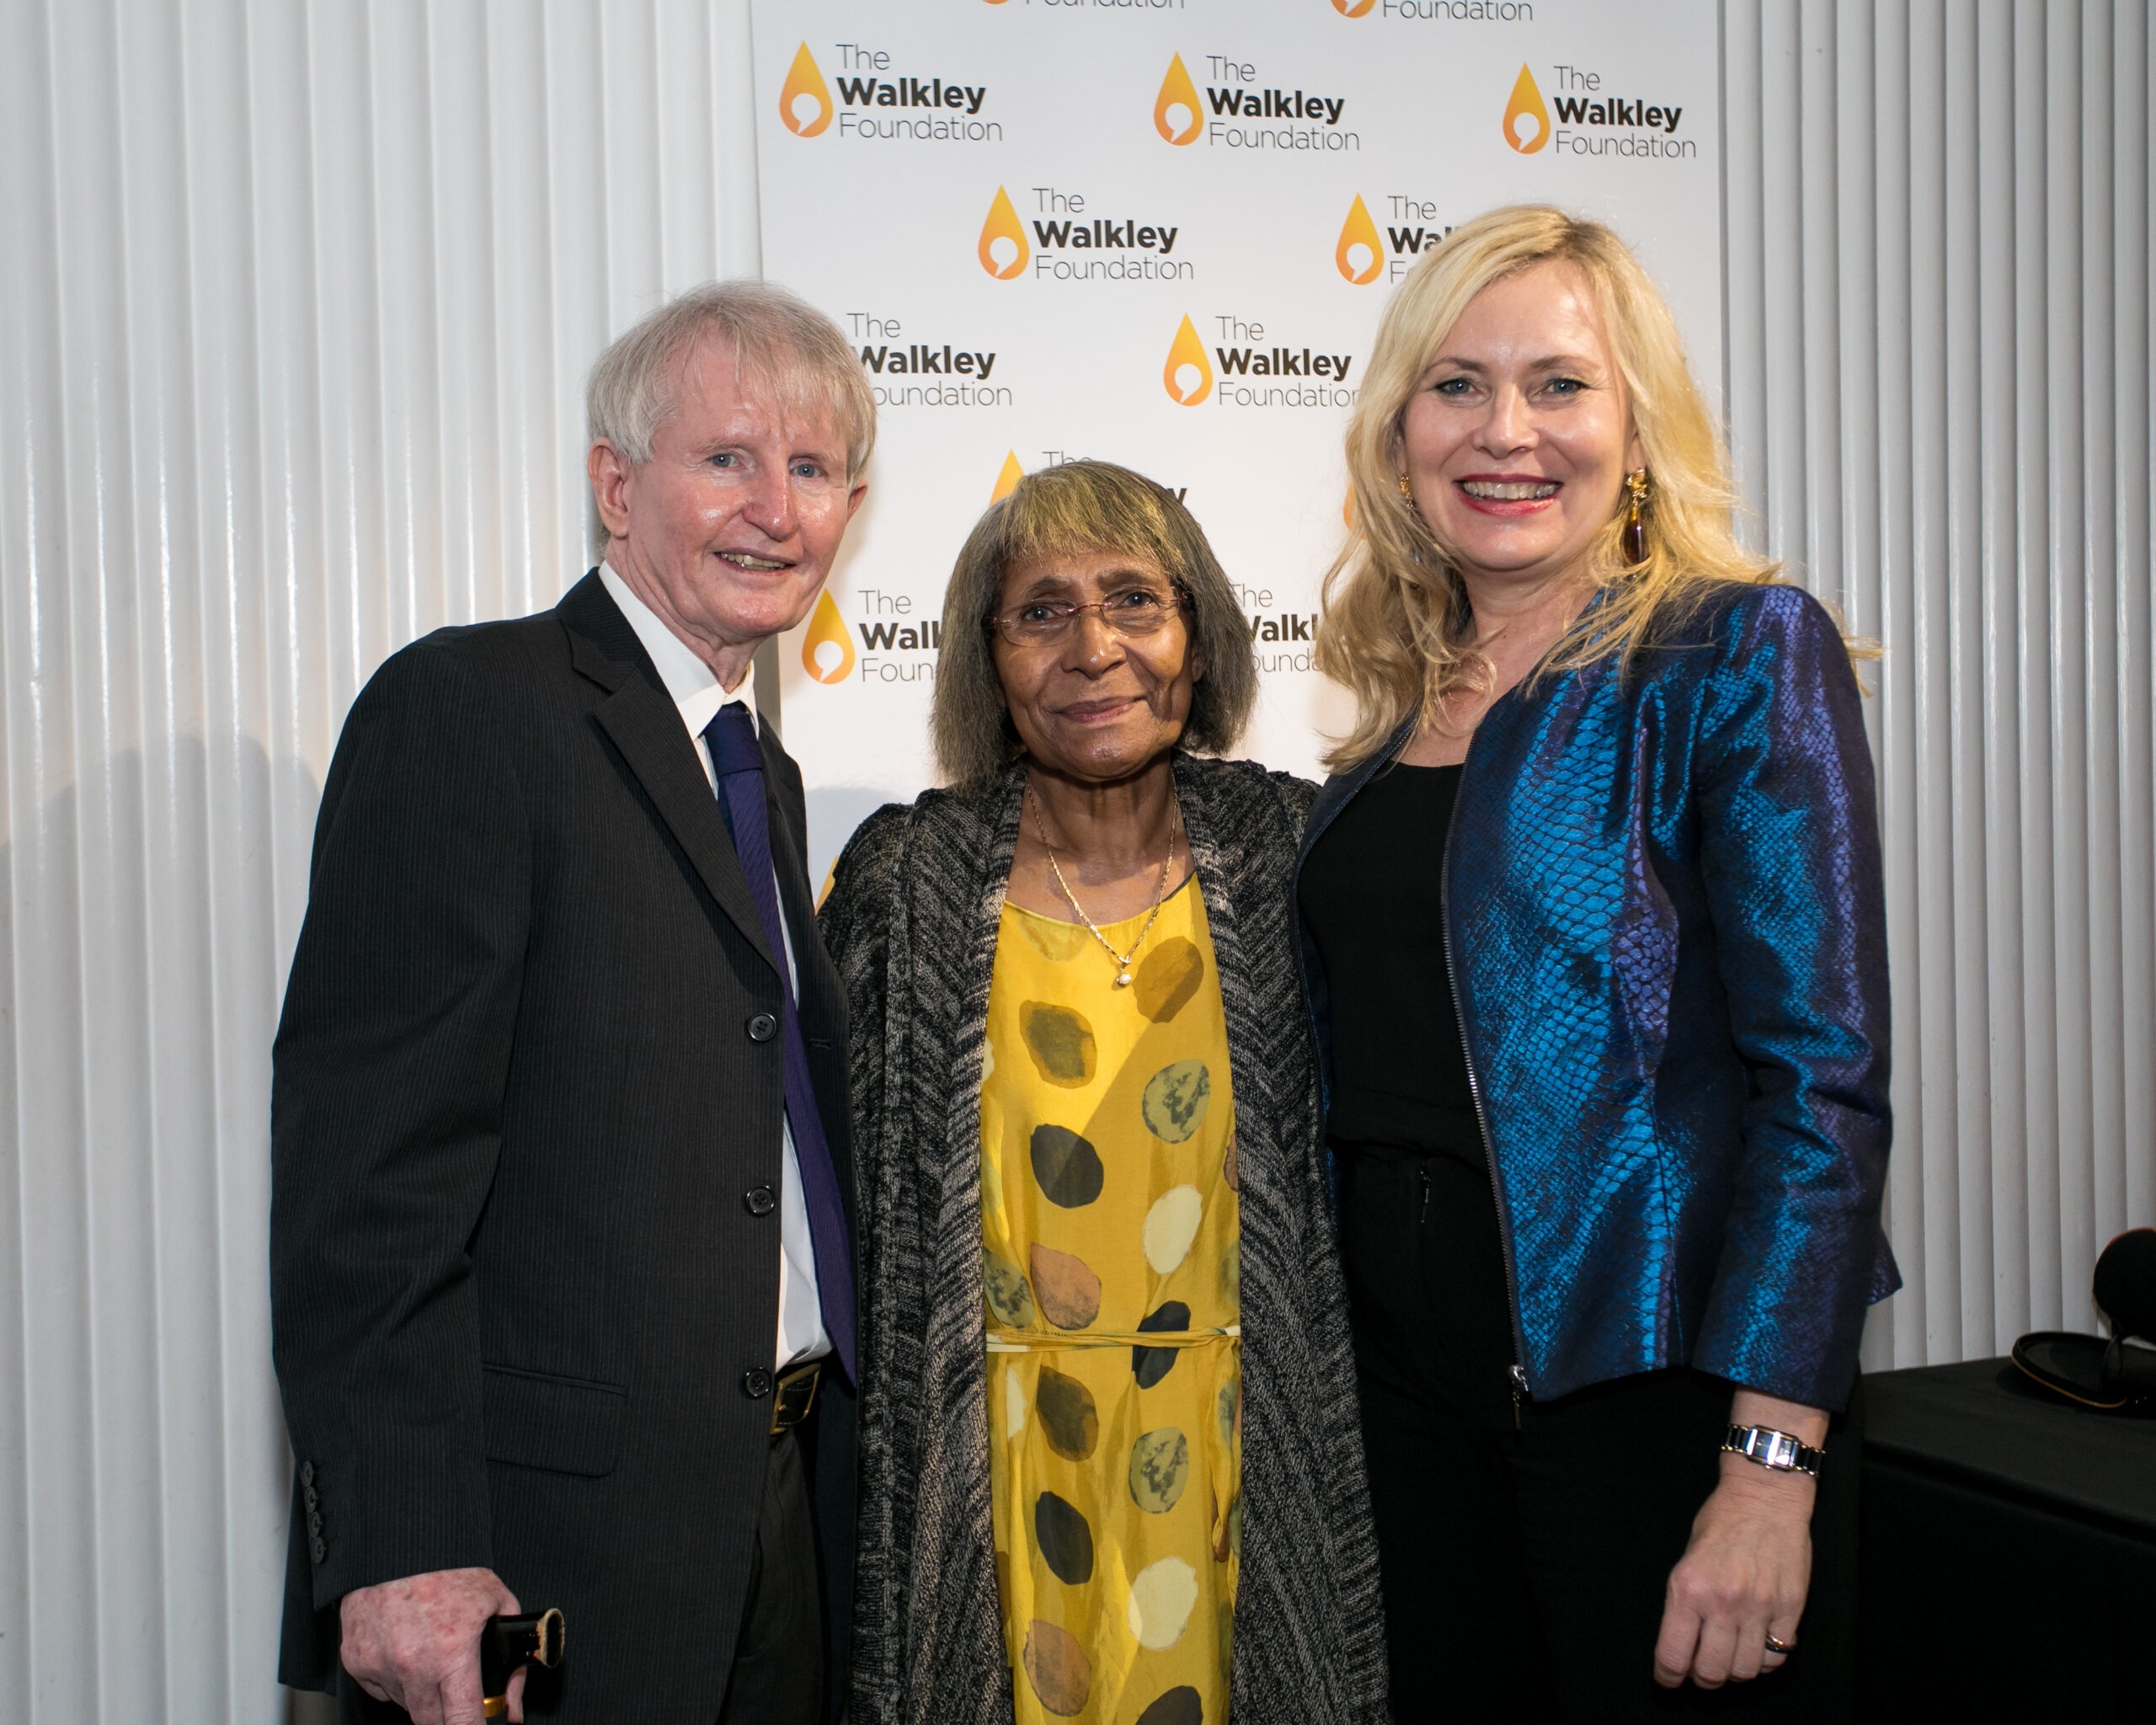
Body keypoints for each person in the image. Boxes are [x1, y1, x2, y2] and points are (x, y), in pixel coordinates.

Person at [1296, 206, 1895, 1722]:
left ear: (1637, 428)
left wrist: (1768, 1476)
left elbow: (1822, 1087)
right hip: (1406, 1424)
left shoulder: (1733, 654)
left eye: (1560, 384)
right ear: (1400, 428)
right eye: (1458, 385)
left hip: (1653, 1413)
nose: (1507, 431)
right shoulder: (1382, 731)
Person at [270, 281, 873, 1724]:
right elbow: (374, 1172)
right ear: (617, 484)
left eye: (812, 470)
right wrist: (406, 1549)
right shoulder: (472, 709)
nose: (773, 509)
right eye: (726, 457)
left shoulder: (756, 771)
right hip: (552, 1554)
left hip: (779, 1509)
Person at [820, 461, 1389, 1725]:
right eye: (1042, 611)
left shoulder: (1300, 855)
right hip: (999, 1465)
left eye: (1137, 600)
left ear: (1199, 640)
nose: (1095, 649)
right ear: (987, 657)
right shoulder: (902, 884)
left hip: (1250, 1447)